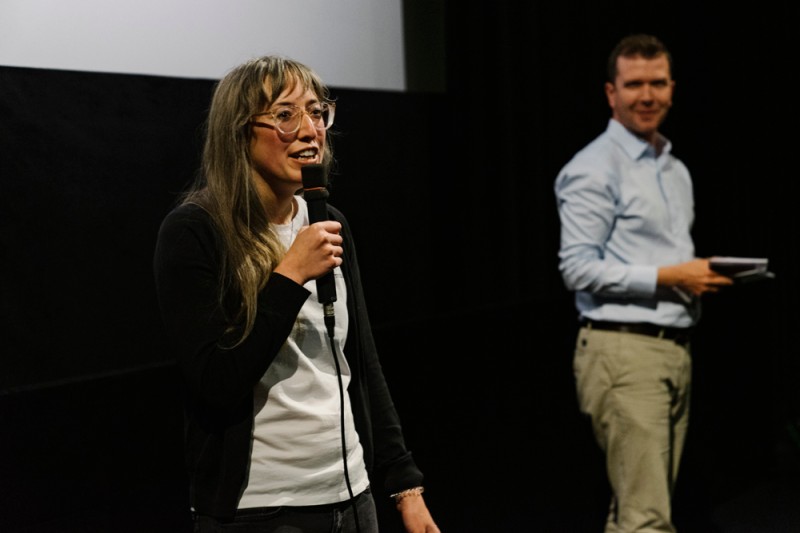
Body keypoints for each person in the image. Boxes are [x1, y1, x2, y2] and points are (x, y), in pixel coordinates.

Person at [153, 55, 440, 533]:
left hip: (351, 496)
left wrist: (405, 485)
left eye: (317, 112)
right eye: (286, 115)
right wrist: (288, 277)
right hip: (263, 510)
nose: (310, 129)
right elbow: (216, 380)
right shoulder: (195, 231)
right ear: (239, 132)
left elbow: (361, 362)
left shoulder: (327, 219)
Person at [553, 34, 734, 532]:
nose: (647, 95)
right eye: (634, 85)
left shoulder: (673, 168)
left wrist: (697, 273)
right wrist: (674, 275)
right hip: (624, 353)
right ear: (611, 93)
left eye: (658, 83)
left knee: (636, 511)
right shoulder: (593, 168)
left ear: (673, 88)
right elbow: (578, 269)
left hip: (672, 348)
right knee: (646, 520)